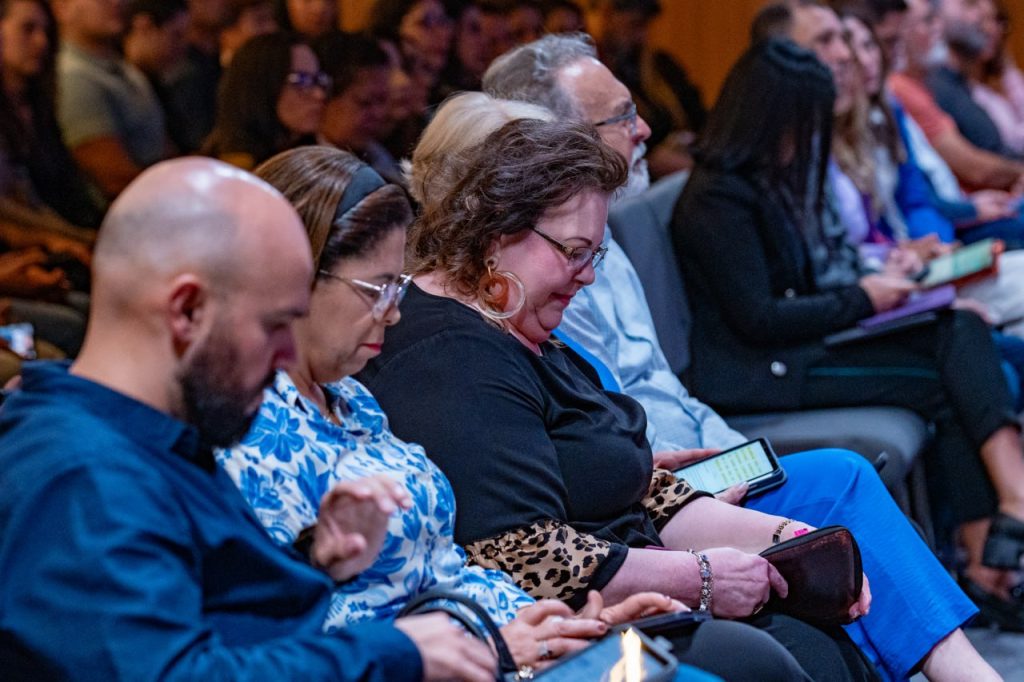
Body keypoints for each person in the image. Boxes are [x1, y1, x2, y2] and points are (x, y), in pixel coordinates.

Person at [410, 80, 997, 679]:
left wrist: (785, 536)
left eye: (595, 255)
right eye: (574, 252)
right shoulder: (453, 351)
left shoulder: (518, 321)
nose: (587, 276)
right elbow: (524, 554)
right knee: (798, 648)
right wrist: (706, 576)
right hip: (594, 606)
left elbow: (636, 481)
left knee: (829, 575)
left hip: (642, 547)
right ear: (498, 229)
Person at [217, 144, 800, 681]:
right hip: (454, 664)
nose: (394, 314)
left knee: (749, 654)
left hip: (504, 640)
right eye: (378, 291)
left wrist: (566, 620)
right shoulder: (250, 436)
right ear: (292, 284)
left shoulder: (351, 400)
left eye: (399, 287)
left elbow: (446, 569)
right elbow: (310, 634)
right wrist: (503, 642)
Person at [0, 156, 499, 681]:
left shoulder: (142, 434)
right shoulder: (82, 473)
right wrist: (394, 651)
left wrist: (315, 563)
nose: (288, 355)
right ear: (187, 310)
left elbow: (210, 622)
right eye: (275, 323)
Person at [673, 36, 1024, 634]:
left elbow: (805, 282)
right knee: (950, 360)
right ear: (769, 118)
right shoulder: (716, 200)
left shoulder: (766, 180)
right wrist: (864, 297)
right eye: (803, 123)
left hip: (799, 348)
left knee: (959, 329)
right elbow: (760, 319)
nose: (811, 138)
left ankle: (991, 545)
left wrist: (873, 284)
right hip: (764, 373)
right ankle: (1000, 525)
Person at [886, 0, 1024, 191]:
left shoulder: (931, 83)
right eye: (927, 21)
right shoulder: (902, 87)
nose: (938, 27)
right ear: (901, 35)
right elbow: (975, 167)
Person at [52, 0, 168, 201]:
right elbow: (113, 178)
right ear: (63, 7)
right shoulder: (72, 76)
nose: (117, 2)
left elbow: (161, 147)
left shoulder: (121, 68)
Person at [584, 0, 707, 177]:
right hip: (634, 177)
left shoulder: (662, 65)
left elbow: (698, 115)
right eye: (633, 25)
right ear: (607, 17)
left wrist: (692, 140)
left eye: (644, 25)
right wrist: (651, 158)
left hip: (681, 165)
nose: (641, 35)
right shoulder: (593, 73)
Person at [202, 32, 327, 171]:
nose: (319, 94)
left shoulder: (311, 159)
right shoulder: (232, 171)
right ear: (260, 86)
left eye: (318, 80)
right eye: (301, 80)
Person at [314, 32, 402, 185]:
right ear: (324, 97)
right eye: (365, 102)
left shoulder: (381, 154)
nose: (379, 113)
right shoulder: (304, 172)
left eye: (382, 100)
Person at [123, 0, 192, 155]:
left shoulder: (157, 84)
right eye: (176, 35)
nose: (182, 47)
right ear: (144, 26)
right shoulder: (116, 82)